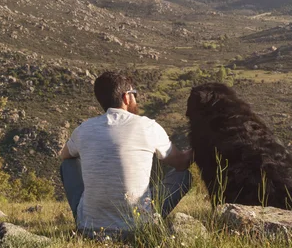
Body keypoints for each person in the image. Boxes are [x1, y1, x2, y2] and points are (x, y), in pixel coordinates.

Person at [59, 71, 193, 239]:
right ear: (126, 97)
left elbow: (64, 155)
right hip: (137, 228)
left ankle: (88, 219)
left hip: (90, 230)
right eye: (134, 94)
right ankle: (149, 218)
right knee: (183, 176)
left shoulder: (84, 129)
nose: (136, 99)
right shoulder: (147, 126)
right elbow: (181, 163)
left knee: (68, 165)